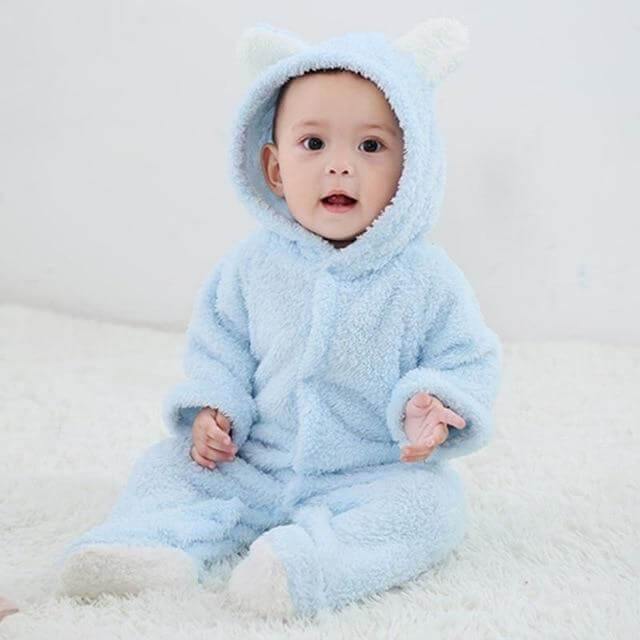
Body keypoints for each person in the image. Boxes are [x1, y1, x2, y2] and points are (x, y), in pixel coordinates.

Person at [56, 18, 502, 620]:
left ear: (413, 165)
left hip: (368, 471)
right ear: (274, 169)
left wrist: (432, 402)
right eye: (313, 144)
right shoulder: (250, 267)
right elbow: (219, 348)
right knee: (169, 465)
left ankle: (304, 567)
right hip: (253, 461)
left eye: (370, 146)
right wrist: (213, 411)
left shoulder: (427, 279)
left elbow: (466, 356)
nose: (339, 166)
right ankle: (143, 544)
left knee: (433, 507)